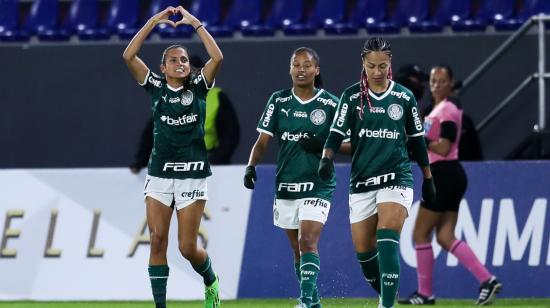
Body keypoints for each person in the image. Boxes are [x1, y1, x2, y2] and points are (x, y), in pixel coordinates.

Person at [318, 37, 436, 308]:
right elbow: (336, 133)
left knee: (387, 234)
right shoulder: (351, 97)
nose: (377, 71)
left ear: (389, 63)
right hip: (362, 181)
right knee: (364, 253)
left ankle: (387, 306)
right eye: (372, 66)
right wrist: (326, 158)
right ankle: (387, 294)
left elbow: (417, 141)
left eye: (382, 65)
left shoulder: (404, 98)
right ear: (363, 63)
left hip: (396, 177)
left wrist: (428, 178)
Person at [122, 6, 223, 308]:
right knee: (156, 240)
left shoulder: (200, 87)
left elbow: (217, 58)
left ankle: (210, 281)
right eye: (173, 60)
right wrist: (153, 21)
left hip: (192, 173)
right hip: (160, 175)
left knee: (187, 247)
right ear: (162, 68)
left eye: (184, 60)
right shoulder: (154, 87)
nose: (180, 63)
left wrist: (196, 23)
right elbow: (128, 56)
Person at [243, 47, 349, 308]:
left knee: (307, 241)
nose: (301, 69)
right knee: (297, 251)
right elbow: (263, 140)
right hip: (287, 185)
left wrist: (324, 144)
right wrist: (251, 166)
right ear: (290, 69)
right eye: (296, 64)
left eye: (307, 65)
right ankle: (314, 303)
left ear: (317, 70)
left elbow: (352, 144)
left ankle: (303, 301)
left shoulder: (331, 104)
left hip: (318, 184)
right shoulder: (278, 101)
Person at [399, 65, 501, 306]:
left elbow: (443, 147)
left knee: (420, 234)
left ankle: (425, 294)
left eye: (442, 81)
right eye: (434, 80)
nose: (436, 84)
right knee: (445, 235)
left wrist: (419, 139)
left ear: (451, 83)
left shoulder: (447, 109)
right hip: (452, 175)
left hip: (443, 175)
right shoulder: (437, 109)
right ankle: (487, 280)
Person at [129, 56, 239, 174]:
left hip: (208, 164)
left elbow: (230, 135)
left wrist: (215, 160)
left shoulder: (216, 97)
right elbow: (152, 134)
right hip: (173, 165)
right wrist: (140, 161)